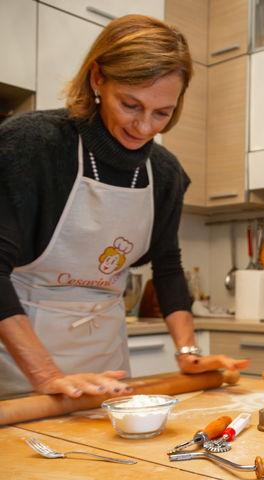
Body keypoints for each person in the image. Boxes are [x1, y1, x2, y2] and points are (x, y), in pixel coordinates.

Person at [0, 14, 248, 399]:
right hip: (18, 368)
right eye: (130, 105)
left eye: (162, 112)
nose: (144, 127)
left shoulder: (164, 174)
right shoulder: (32, 145)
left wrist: (188, 353)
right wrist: (47, 375)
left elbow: (167, 266)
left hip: (106, 365)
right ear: (98, 78)